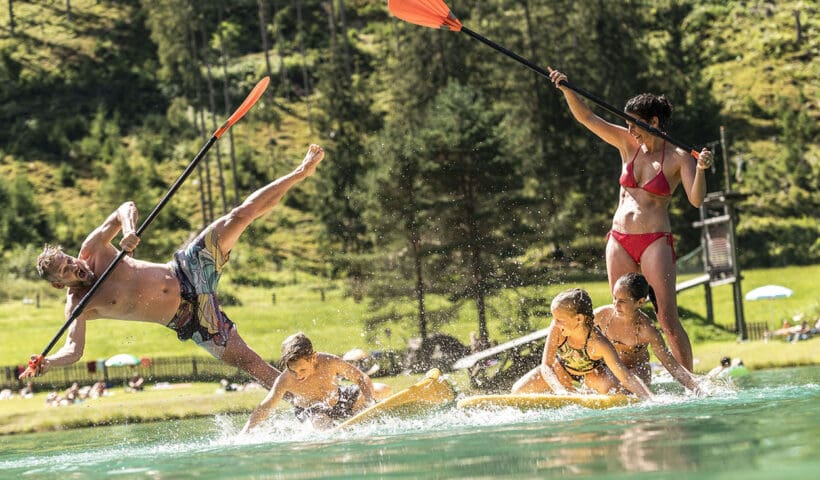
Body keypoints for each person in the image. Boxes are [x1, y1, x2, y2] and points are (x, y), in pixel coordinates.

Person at [22, 145, 326, 390]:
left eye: (69, 261)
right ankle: (307, 403)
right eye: (65, 271)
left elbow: (125, 207)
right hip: (190, 319)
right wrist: (48, 363)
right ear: (58, 284)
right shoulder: (78, 306)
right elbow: (73, 350)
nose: (75, 267)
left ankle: (300, 172)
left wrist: (129, 230)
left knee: (239, 215)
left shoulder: (93, 249)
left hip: (188, 269)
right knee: (249, 362)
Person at [548, 69, 715, 371]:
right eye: (627, 123)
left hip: (654, 240)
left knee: (666, 317)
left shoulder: (679, 156)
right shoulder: (627, 143)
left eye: (635, 123)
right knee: (621, 314)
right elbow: (588, 118)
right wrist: (566, 90)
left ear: (653, 122)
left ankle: (690, 381)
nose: (630, 129)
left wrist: (701, 169)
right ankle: (634, 380)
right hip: (619, 239)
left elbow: (696, 199)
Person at [511, 288, 653, 400]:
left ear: (579, 318)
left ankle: (588, 392)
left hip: (592, 375)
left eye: (560, 319)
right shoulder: (557, 328)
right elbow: (546, 366)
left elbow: (625, 376)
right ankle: (568, 391)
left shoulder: (598, 343)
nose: (555, 323)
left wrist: (649, 399)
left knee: (611, 390)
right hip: (563, 370)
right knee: (518, 390)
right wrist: (559, 390)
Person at [241, 332, 377, 432]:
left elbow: (360, 377)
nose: (298, 375)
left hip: (338, 399)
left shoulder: (330, 362)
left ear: (313, 358)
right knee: (321, 424)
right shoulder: (285, 380)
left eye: (302, 369)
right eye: (293, 371)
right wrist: (245, 431)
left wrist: (370, 402)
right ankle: (334, 429)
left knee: (381, 390)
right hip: (311, 411)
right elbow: (266, 406)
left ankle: (359, 413)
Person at [594, 273, 701, 393]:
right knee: (602, 382)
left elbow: (669, 363)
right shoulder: (603, 315)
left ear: (640, 302)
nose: (616, 304)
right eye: (614, 298)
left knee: (620, 388)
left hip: (637, 370)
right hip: (613, 368)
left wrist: (695, 388)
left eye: (622, 301)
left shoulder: (646, 330)